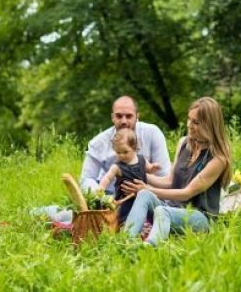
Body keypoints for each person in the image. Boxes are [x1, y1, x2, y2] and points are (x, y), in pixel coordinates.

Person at [31, 95, 171, 223]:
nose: (124, 121)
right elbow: (87, 178)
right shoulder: (98, 143)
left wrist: (143, 190)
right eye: (119, 116)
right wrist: (101, 198)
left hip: (147, 195)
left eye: (129, 116)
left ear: (137, 116)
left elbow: (164, 176)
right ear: (112, 117)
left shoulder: (152, 133)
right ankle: (46, 213)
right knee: (78, 218)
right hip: (110, 198)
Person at [121, 97, 232, 246]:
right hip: (172, 208)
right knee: (144, 195)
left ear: (209, 125)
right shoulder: (184, 143)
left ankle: (149, 247)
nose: (189, 125)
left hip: (200, 217)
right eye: (189, 119)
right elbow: (169, 181)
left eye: (196, 122)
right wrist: (137, 173)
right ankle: (124, 241)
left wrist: (148, 188)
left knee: (161, 210)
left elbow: (187, 193)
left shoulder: (218, 159)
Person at [98, 128, 159, 225]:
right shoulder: (117, 167)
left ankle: (145, 225)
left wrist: (153, 168)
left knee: (145, 212)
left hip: (142, 196)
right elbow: (107, 178)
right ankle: (124, 226)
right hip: (125, 200)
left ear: (134, 148)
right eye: (118, 152)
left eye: (125, 152)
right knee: (125, 217)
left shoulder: (142, 159)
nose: (122, 155)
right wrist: (101, 188)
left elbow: (148, 169)